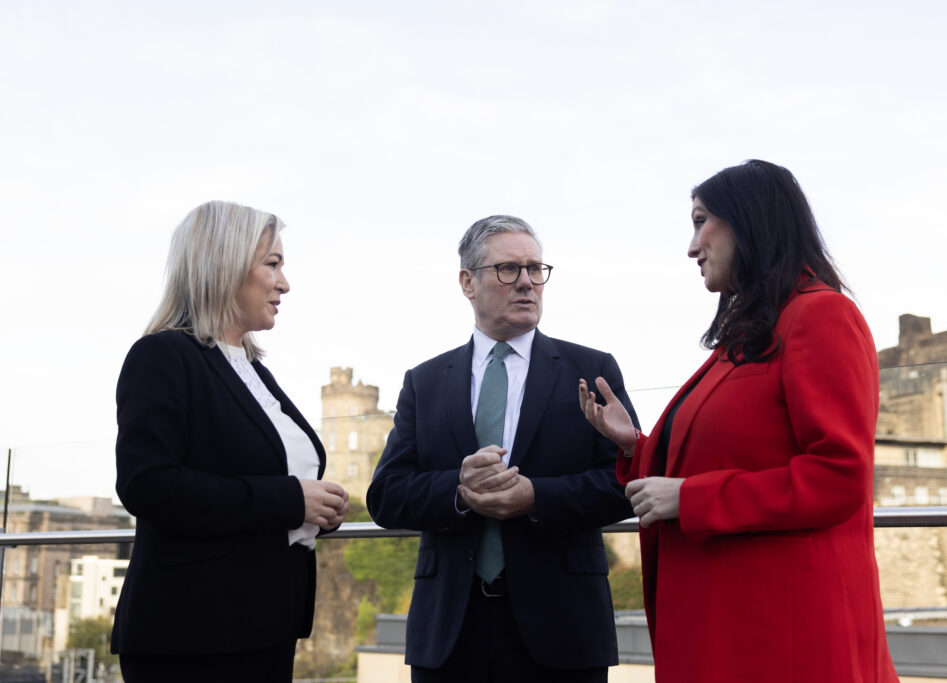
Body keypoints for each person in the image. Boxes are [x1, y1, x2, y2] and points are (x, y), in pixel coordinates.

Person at [580, 160, 899, 682]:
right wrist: (635, 446)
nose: (691, 245)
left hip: (782, 634)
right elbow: (733, 455)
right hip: (737, 624)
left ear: (748, 221)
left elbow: (839, 476)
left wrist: (691, 498)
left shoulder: (821, 317)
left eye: (701, 220)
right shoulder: (752, 334)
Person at [366, 215, 638, 683]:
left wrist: (537, 497)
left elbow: (625, 481)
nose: (528, 283)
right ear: (467, 282)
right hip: (449, 633)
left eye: (536, 269)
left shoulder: (591, 369)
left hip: (564, 630)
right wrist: (458, 489)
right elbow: (387, 494)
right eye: (508, 269)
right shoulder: (425, 382)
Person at [111, 201, 350, 682]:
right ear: (224, 264)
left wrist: (316, 511)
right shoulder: (162, 356)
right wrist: (289, 500)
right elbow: (148, 485)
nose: (284, 283)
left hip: (265, 627)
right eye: (273, 264)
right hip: (192, 636)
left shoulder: (252, 368)